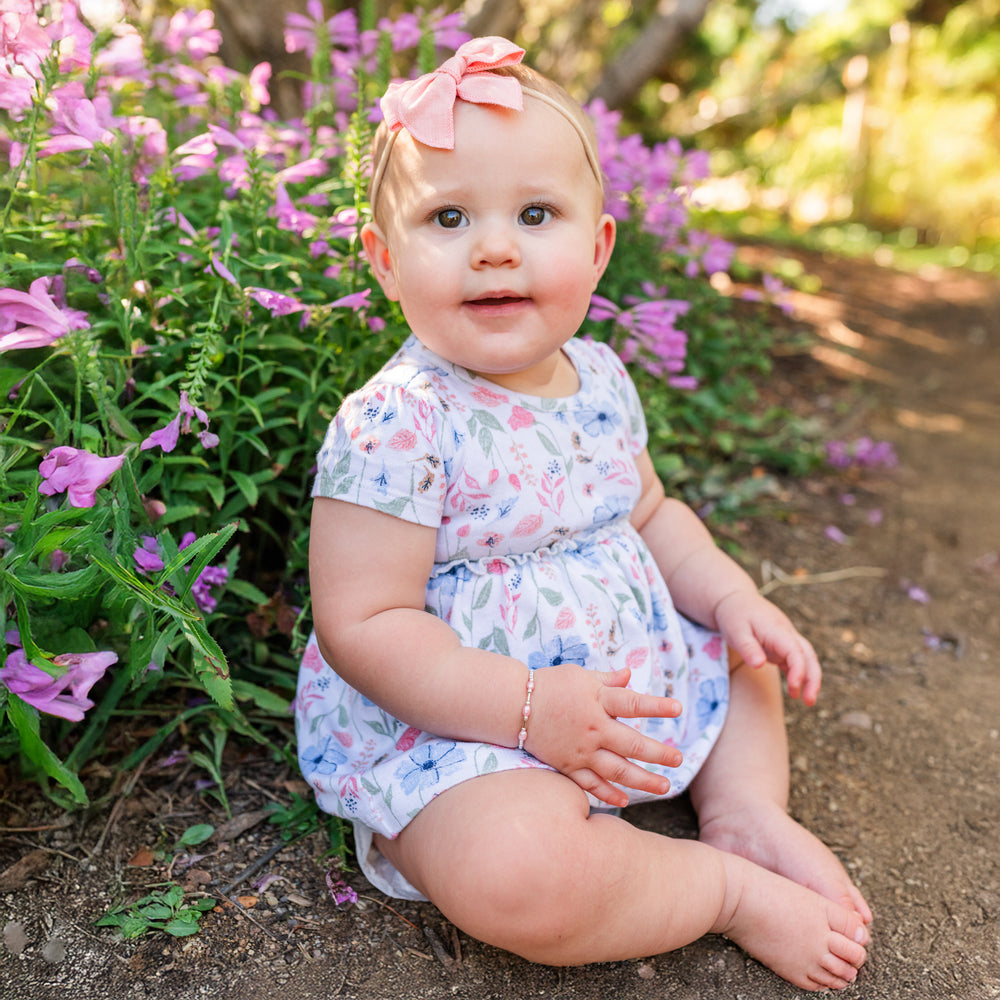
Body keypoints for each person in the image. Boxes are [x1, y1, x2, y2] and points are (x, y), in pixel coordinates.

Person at [295, 36, 873, 992]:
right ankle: (722, 889)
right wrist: (526, 710)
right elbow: (364, 624)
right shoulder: (395, 423)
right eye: (448, 217)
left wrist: (732, 597)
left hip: (624, 680)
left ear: (597, 248)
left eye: (535, 214)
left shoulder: (599, 377)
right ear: (386, 261)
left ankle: (745, 813)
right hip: (465, 729)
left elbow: (652, 513)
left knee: (747, 653)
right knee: (515, 874)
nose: (495, 247)